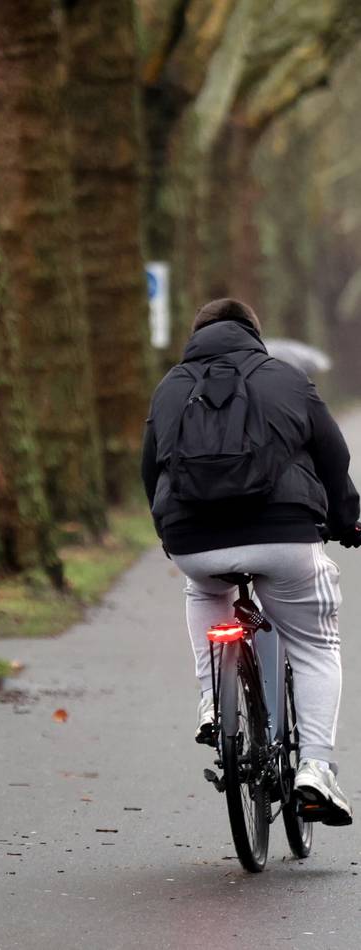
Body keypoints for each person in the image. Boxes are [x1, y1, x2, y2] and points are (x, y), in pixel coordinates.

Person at [142, 298, 360, 826]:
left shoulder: (170, 386)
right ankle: (315, 768)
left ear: (197, 337)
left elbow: (151, 468)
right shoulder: (286, 378)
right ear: (253, 333)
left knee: (203, 590)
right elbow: (332, 456)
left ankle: (213, 704)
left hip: (194, 539)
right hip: (282, 535)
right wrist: (347, 519)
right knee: (313, 644)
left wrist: (172, 537)